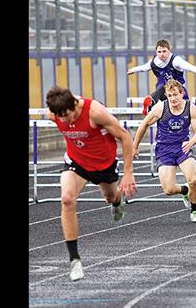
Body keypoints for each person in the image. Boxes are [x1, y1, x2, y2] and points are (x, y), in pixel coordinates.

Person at [46, 86, 137, 282]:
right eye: (60, 117)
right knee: (67, 199)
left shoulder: (94, 112)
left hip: (103, 164)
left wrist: (128, 173)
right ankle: (74, 260)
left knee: (110, 196)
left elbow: (125, 136)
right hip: (76, 163)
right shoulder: (54, 114)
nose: (65, 120)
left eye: (68, 115)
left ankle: (116, 202)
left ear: (75, 106)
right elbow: (59, 112)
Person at [132, 79, 196, 223]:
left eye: (175, 94)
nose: (173, 98)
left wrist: (191, 142)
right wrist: (134, 146)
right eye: (169, 95)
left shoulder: (191, 108)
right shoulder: (160, 108)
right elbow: (144, 124)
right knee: (168, 190)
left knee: (193, 180)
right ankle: (184, 191)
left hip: (183, 147)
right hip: (164, 149)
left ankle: (194, 211)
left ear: (182, 93)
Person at [127, 39, 196, 115]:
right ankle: (150, 102)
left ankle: (152, 101)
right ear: (156, 52)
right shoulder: (154, 61)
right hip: (165, 92)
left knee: (186, 107)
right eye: (159, 52)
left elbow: (189, 67)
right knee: (164, 89)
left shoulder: (176, 60)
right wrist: (133, 70)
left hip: (178, 90)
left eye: (164, 51)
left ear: (169, 51)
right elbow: (145, 67)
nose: (161, 54)